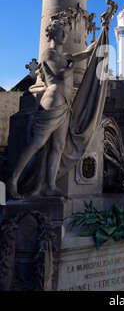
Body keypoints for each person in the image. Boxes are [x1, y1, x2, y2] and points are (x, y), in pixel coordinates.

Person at [6, 16, 96, 199]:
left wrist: (102, 35)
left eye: (67, 32)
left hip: (65, 103)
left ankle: (50, 186)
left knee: (58, 145)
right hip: (52, 99)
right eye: (61, 31)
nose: (65, 34)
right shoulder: (48, 54)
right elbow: (61, 76)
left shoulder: (67, 57)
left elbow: (85, 54)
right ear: (52, 33)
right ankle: (12, 180)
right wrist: (71, 67)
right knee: (39, 142)